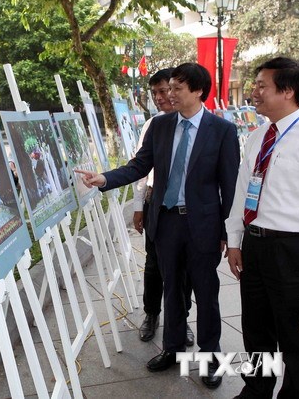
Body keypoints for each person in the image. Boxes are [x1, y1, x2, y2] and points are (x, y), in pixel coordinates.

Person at [77, 63, 239, 389]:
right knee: (172, 292)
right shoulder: (160, 126)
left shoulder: (222, 131)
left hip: (203, 227)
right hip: (165, 224)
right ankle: (173, 348)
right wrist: (104, 178)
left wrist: (227, 233)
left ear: (197, 91)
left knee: (206, 294)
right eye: (170, 87)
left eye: (178, 88)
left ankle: (210, 358)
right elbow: (140, 164)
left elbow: (230, 185)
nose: (170, 94)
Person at [225, 57, 299, 398]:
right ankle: (256, 388)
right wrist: (235, 240)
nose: (254, 92)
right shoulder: (257, 136)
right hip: (255, 246)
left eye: (261, 86)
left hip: (295, 249)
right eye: (255, 85)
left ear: (287, 91)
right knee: (255, 327)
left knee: (294, 331)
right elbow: (243, 192)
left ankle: (298, 394)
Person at [132, 68, 194, 345]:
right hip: (155, 203)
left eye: (164, 91)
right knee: (154, 264)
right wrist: (138, 206)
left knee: (185, 270)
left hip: (187, 210)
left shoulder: (200, 125)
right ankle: (151, 314)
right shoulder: (153, 125)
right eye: (155, 92)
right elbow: (140, 169)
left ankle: (181, 320)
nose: (160, 97)